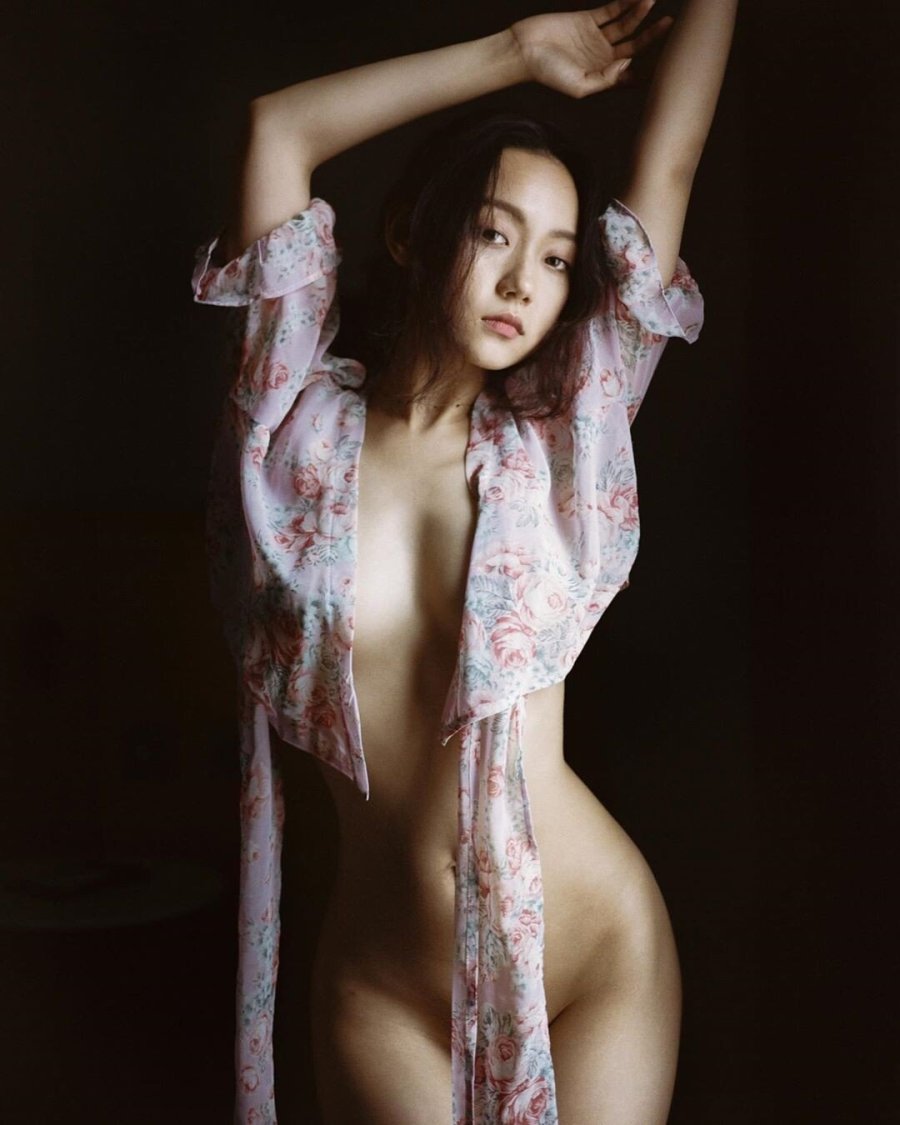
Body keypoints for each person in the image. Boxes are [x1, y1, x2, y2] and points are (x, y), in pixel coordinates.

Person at [191, 2, 737, 1121]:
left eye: (556, 258)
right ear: (412, 233)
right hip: (386, 982)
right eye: (494, 234)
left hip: (592, 957)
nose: (524, 283)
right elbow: (281, 129)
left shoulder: (564, 433)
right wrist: (513, 56)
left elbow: (673, 157)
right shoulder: (294, 426)